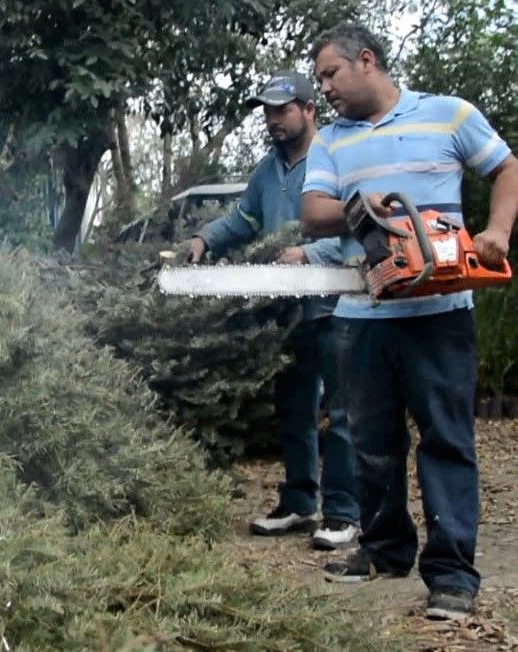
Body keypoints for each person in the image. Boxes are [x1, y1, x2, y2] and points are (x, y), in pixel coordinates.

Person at [302, 23, 518, 620]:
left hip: (440, 310)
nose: (324, 89)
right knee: (371, 442)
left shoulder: (449, 115)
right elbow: (313, 211)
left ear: (365, 60)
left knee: (446, 439)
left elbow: (505, 169)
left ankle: (452, 574)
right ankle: (384, 548)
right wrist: (362, 208)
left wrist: (496, 232)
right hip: (362, 313)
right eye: (320, 79)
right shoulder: (332, 141)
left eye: (330, 74)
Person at [187, 71, 360, 550]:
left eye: (282, 110)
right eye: (266, 111)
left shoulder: (336, 160)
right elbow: (244, 219)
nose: (272, 120)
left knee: (342, 411)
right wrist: (205, 238)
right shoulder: (267, 171)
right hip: (287, 309)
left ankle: (344, 512)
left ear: (309, 110)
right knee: (293, 408)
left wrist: (310, 254)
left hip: (337, 302)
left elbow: (357, 227)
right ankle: (300, 503)